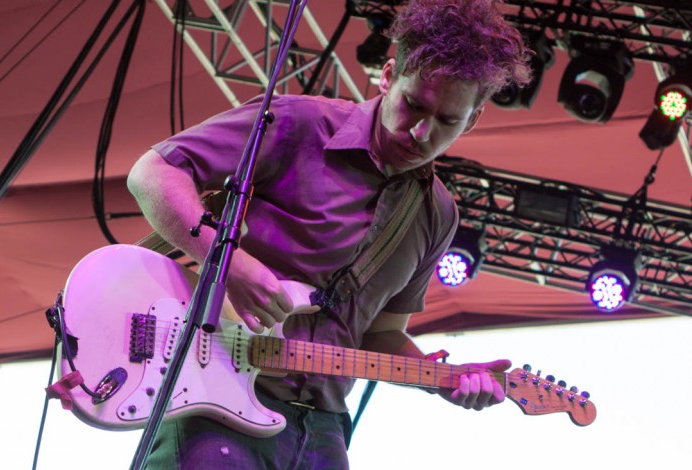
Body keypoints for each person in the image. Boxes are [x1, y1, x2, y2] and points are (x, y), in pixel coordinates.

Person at [127, 0, 531, 468]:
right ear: (388, 76)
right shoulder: (299, 124)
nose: (422, 132)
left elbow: (383, 332)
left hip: (324, 429)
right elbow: (152, 173)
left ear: (474, 119)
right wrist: (229, 263)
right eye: (414, 105)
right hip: (214, 402)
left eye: (448, 121)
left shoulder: (436, 214)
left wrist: (440, 379)